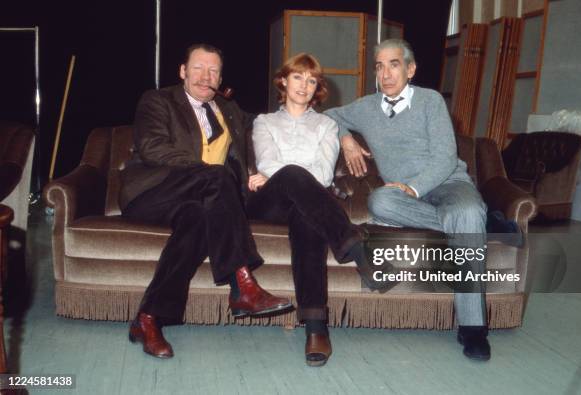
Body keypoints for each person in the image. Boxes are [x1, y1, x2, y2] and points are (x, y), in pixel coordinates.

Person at [119, 43, 293, 359]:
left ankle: (148, 318)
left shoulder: (229, 110)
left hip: (201, 200)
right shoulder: (158, 100)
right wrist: (209, 172)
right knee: (217, 176)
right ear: (183, 71)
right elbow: (152, 147)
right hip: (153, 193)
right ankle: (242, 284)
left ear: (221, 78)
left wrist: (341, 130)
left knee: (198, 222)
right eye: (198, 68)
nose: (205, 76)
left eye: (213, 70)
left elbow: (275, 123)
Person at [325, 39, 491, 361]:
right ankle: (477, 221)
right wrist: (345, 137)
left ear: (410, 69)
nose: (386, 74)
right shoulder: (366, 107)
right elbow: (327, 115)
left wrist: (413, 188)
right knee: (379, 202)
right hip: (401, 199)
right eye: (379, 66)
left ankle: (473, 328)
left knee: (466, 209)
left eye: (394, 64)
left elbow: (445, 158)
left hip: (447, 183)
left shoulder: (430, 101)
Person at [247, 53, 398, 367]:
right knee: (291, 175)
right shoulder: (264, 122)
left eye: (311, 80)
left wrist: (293, 175)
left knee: (307, 218)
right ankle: (355, 248)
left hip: (308, 202)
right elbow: (267, 163)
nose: (304, 85)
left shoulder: (327, 124)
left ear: (318, 88)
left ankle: (316, 327)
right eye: (298, 77)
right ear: (284, 81)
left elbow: (325, 173)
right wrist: (290, 174)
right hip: (268, 202)